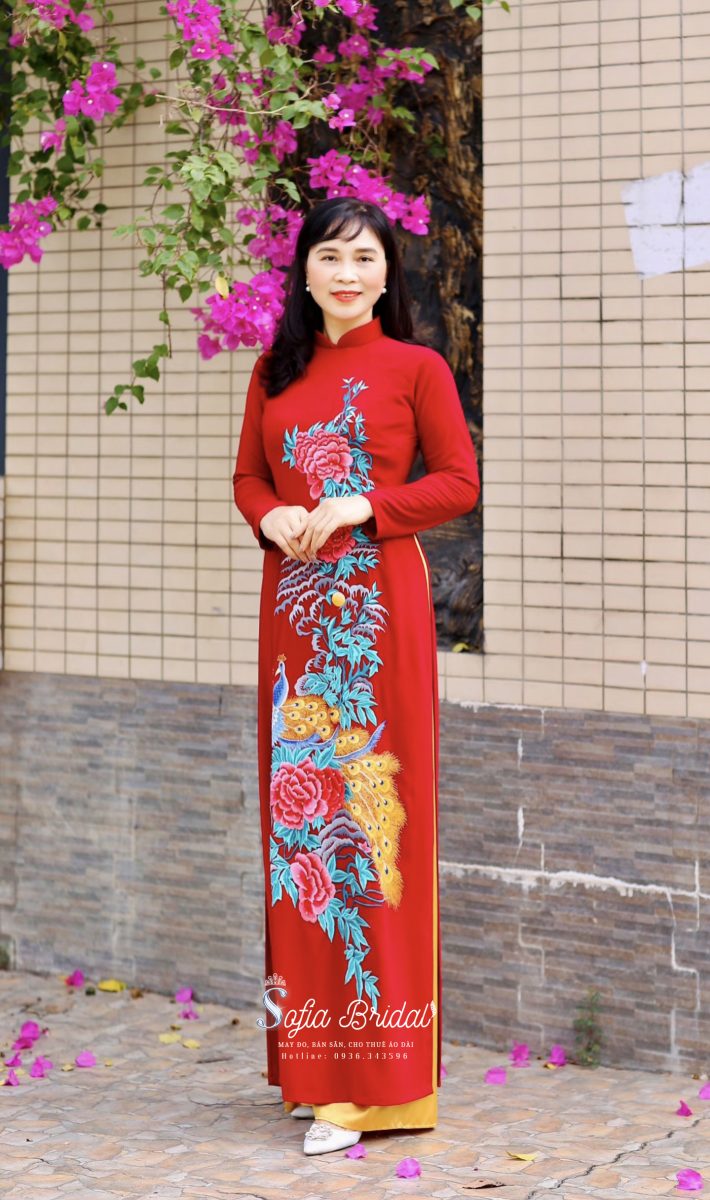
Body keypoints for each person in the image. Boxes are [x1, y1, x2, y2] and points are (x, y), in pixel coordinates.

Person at [233, 196, 480, 1156]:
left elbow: (458, 481)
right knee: (301, 833)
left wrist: (360, 507)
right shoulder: (275, 371)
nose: (347, 273)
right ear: (303, 271)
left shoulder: (417, 368)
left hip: (378, 619)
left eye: (365, 258)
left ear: (387, 277)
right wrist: (270, 517)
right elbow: (250, 478)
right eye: (331, 257)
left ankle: (375, 1087)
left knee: (377, 829)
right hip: (294, 616)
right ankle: (318, 1068)